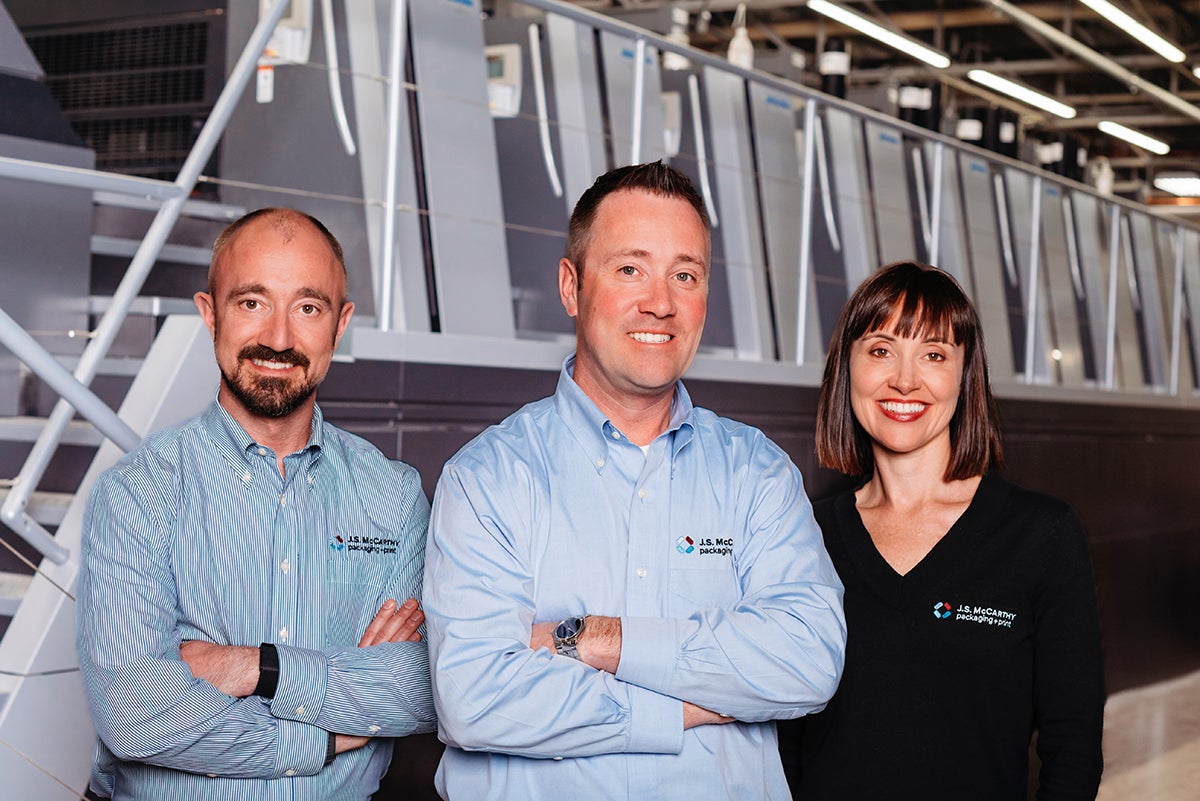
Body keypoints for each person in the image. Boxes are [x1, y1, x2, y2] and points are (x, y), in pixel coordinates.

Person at [422, 161, 847, 801]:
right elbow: (475, 697)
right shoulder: (489, 479)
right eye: (630, 269)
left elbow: (807, 661)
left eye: (686, 275)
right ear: (572, 286)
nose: (661, 302)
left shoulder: (757, 475)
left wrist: (594, 638)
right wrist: (689, 705)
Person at [76, 208, 437, 800]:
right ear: (209, 313)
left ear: (340, 323)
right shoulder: (136, 495)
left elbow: (422, 687)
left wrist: (254, 668)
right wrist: (322, 734)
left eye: (308, 308)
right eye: (251, 303)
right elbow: (131, 714)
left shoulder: (393, 495)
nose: (278, 338)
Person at [788, 261, 1105, 800]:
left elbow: (1072, 745)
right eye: (881, 350)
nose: (905, 379)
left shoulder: (1041, 535)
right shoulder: (803, 534)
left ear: (965, 374)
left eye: (933, 355)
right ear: (848, 369)